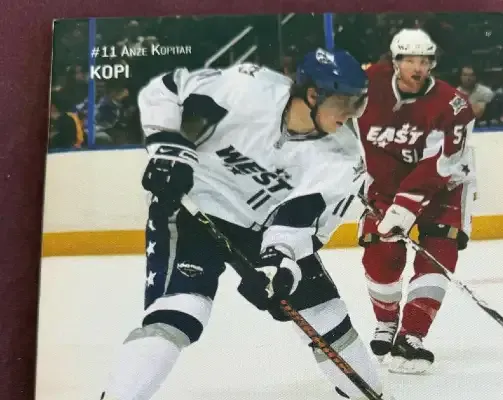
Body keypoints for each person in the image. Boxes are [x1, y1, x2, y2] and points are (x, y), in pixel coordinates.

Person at [99, 48, 395, 400]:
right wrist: (167, 148)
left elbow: (299, 224)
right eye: (344, 103)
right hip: (192, 204)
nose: (351, 114)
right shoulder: (249, 87)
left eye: (358, 104)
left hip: (263, 229)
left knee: (326, 314)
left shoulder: (343, 158)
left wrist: (279, 267)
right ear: (313, 95)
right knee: (182, 311)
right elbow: (167, 89)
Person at [356, 28, 477, 374]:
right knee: (382, 256)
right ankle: (386, 321)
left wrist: (406, 207)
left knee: (439, 252)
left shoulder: (453, 105)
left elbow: (443, 164)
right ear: (395, 62)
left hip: (445, 187)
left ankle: (412, 335)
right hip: (384, 185)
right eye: (409, 60)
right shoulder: (366, 85)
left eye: (424, 61)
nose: (417, 67)